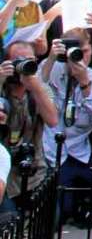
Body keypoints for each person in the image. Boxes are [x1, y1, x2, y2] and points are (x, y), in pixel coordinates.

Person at [39, 29, 92, 225]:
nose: (81, 57)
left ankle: (81, 204)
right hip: (53, 151)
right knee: (61, 208)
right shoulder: (53, 68)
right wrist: (50, 57)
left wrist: (84, 83)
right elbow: (37, 85)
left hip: (80, 150)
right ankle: (72, 206)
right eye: (75, 51)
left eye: (86, 51)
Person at [0, 40, 54, 207]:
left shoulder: (39, 89)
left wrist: (34, 86)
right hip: (4, 175)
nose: (23, 65)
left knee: (49, 219)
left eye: (28, 60)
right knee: (10, 219)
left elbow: (53, 120)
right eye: (18, 60)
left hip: (33, 172)